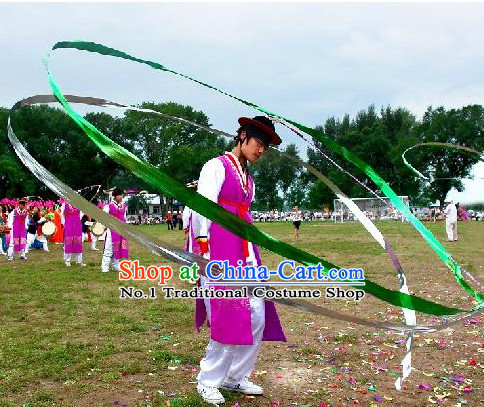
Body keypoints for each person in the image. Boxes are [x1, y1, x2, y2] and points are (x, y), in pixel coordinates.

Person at [190, 116, 286, 405]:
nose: (261, 151)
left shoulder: (249, 180)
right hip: (219, 250)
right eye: (259, 143)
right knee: (228, 313)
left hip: (245, 251)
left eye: (266, 147)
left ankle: (235, 376)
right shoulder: (216, 166)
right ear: (242, 135)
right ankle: (208, 381)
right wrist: (204, 248)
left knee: (257, 315)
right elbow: (201, 207)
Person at [101, 188, 129, 273]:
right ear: (115, 196)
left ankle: (115, 266)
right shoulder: (108, 206)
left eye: (122, 195)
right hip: (111, 229)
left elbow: (124, 217)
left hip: (121, 229)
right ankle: (104, 267)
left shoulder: (124, 206)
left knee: (118, 247)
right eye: (119, 195)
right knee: (109, 248)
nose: (121, 197)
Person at [61, 201, 85, 267]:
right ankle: (67, 260)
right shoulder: (65, 205)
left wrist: (76, 220)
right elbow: (62, 215)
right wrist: (64, 224)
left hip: (77, 224)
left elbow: (81, 214)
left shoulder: (79, 204)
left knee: (78, 242)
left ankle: (79, 261)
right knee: (69, 242)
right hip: (68, 224)